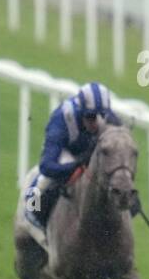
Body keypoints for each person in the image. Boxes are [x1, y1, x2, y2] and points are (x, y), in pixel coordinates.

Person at [24, 82, 121, 231]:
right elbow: (46, 167)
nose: (97, 122)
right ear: (81, 112)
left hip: (91, 155)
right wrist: (76, 165)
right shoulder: (61, 119)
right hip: (66, 152)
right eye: (91, 117)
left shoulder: (110, 119)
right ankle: (33, 212)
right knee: (44, 181)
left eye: (102, 115)